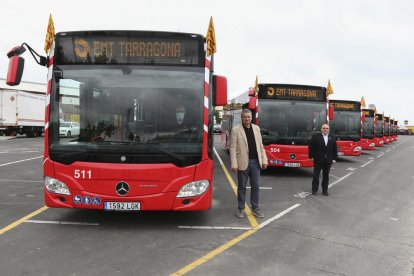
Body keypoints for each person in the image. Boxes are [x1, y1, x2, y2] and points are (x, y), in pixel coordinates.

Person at [230, 109, 268, 218]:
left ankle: (255, 208)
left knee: (255, 186)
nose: (247, 119)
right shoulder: (236, 130)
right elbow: (232, 148)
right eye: (245, 117)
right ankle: (241, 208)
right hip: (242, 162)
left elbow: (261, 146)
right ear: (242, 118)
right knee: (242, 186)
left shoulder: (256, 129)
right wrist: (234, 164)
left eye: (249, 117)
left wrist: (264, 160)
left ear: (251, 117)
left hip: (256, 163)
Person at [308, 124, 338, 196]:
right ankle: (314, 190)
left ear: (329, 129)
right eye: (324, 128)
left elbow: (335, 149)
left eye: (327, 128)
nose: (325, 129)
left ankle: (325, 191)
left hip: (328, 160)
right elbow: (311, 147)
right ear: (321, 129)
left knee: (326, 176)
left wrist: (334, 158)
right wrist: (311, 156)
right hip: (318, 159)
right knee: (316, 175)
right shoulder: (315, 136)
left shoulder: (332, 137)